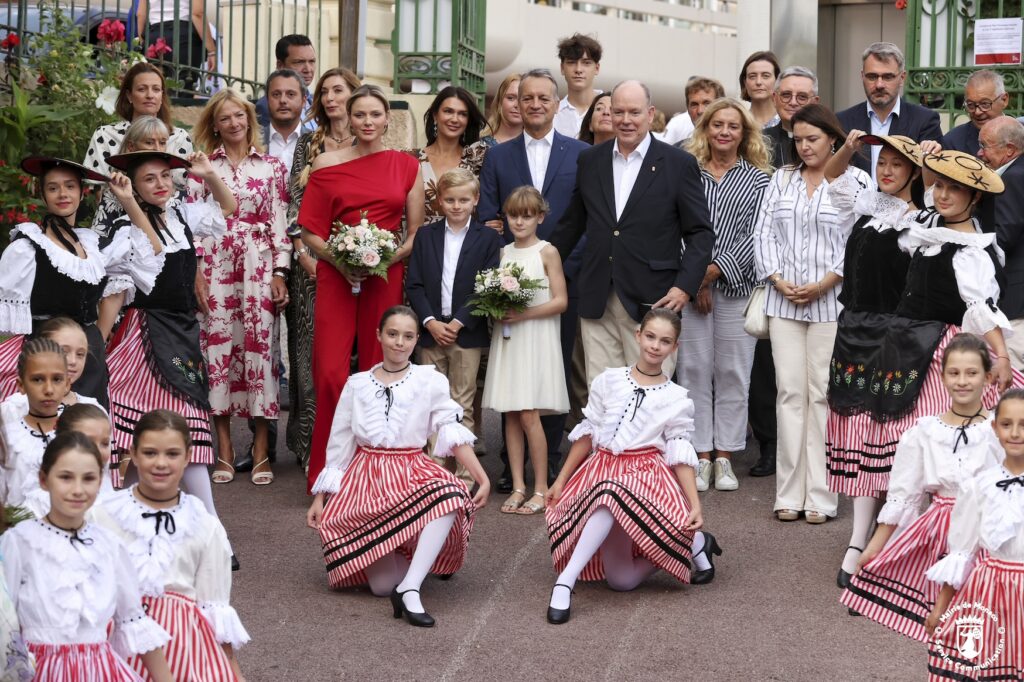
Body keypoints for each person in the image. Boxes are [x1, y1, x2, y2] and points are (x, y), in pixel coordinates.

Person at [305, 306, 488, 627]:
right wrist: (320, 498)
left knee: (449, 493)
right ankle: (417, 565)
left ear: (417, 340)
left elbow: (449, 429)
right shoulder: (357, 383)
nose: (399, 343)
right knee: (379, 587)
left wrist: (480, 476)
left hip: (410, 469)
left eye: (407, 336)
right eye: (392, 334)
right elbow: (339, 444)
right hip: (367, 478)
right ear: (379, 336)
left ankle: (411, 587)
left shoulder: (429, 380)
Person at [544, 309, 721, 625]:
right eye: (651, 337)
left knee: (611, 492)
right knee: (620, 580)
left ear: (674, 348)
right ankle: (693, 544)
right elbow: (589, 432)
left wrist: (694, 505)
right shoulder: (609, 379)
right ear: (638, 335)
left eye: (665, 341)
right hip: (602, 469)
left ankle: (564, 582)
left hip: (646, 477)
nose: (655, 346)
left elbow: (680, 453)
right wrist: (561, 479)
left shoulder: (677, 398)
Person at [99, 150, 235, 536]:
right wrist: (127, 204)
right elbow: (153, 251)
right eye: (149, 180)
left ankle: (209, 529)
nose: (160, 185)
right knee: (132, 436)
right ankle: (124, 528)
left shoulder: (182, 215)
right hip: (143, 338)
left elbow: (228, 205)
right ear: (134, 188)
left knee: (188, 430)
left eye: (164, 177)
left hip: (183, 332)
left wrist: (208, 174)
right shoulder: (127, 231)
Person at [298, 85, 424, 493]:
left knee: (381, 368)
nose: (368, 122)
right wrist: (342, 260)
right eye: (360, 115)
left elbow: (414, 233)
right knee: (331, 373)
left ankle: (375, 474)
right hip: (337, 274)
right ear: (348, 119)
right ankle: (326, 471)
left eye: (375, 114)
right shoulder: (325, 163)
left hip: (385, 277)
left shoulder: (406, 165)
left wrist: (382, 260)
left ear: (388, 118)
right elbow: (310, 230)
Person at [552, 79, 715, 384]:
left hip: (653, 299)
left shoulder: (678, 164)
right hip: (597, 296)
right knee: (602, 393)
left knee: (650, 397)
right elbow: (571, 224)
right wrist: (535, 266)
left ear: (650, 114)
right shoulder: (590, 160)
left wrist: (684, 288)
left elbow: (700, 234)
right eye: (619, 112)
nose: (626, 120)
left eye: (634, 112)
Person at [841, 334, 1001, 638]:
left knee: (984, 626)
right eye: (954, 373)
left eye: (972, 373)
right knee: (939, 628)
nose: (962, 381)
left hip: (986, 533)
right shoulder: (924, 432)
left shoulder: (998, 430)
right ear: (941, 377)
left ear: (987, 377)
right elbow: (904, 498)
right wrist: (872, 550)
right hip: (938, 535)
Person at [753, 103, 868, 524]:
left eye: (812, 139)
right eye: (798, 139)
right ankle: (788, 493)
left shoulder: (854, 180)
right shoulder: (780, 180)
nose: (804, 147)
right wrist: (777, 279)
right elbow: (763, 233)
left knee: (821, 395)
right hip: (783, 300)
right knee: (789, 394)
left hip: (829, 303)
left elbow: (857, 238)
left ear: (833, 138)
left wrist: (826, 281)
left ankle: (820, 497)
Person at [477, 68, 588, 491]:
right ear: (517, 104)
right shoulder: (499, 155)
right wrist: (506, 278)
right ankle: (513, 466)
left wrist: (564, 263)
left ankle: (552, 461)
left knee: (552, 369)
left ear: (557, 104)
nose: (536, 105)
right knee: (513, 373)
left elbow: (588, 217)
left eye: (544, 98)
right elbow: (489, 216)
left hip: (565, 276)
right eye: (527, 98)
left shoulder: (580, 153)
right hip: (513, 276)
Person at [823, 132, 926, 578]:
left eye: (896, 165)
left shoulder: (925, 219)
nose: (885, 170)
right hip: (853, 331)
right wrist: (849, 145)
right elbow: (833, 174)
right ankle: (856, 539)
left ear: (915, 172)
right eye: (881, 162)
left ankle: (894, 540)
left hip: (896, 337)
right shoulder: (867, 205)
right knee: (859, 436)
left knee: (888, 440)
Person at [1, 431, 174, 680]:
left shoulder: (110, 545)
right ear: (43, 479)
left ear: (100, 480)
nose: (78, 490)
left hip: (101, 671)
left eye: (89, 478)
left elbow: (133, 620)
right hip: (40, 671)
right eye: (66, 478)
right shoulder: (19, 542)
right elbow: (4, 619)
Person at [93, 410, 248, 680]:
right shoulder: (104, 514)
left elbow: (215, 607)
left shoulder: (205, 525)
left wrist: (233, 672)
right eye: (150, 453)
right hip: (115, 642)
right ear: (134, 453)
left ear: (188, 456)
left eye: (172, 454)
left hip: (183, 647)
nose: (161, 463)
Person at [0, 156, 164, 409]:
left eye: (70, 186)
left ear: (81, 192)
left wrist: (127, 199)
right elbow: (9, 322)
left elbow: (152, 247)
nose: (62, 193)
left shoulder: (93, 245)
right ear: (43, 196)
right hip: (46, 356)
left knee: (89, 429)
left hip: (89, 354)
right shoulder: (27, 247)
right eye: (53, 188)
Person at [190, 89, 291, 486]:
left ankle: (262, 449)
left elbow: (280, 224)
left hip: (258, 265)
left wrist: (279, 272)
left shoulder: (271, 168)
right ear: (214, 125)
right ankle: (225, 449)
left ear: (250, 120)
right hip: (215, 266)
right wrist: (197, 271)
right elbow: (195, 226)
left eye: (239, 116)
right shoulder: (199, 168)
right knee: (216, 352)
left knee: (260, 353)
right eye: (225, 118)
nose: (233, 123)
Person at [678, 98, 771, 493]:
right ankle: (700, 455)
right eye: (717, 124)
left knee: (734, 372)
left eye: (733, 125)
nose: (724, 132)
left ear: (744, 132)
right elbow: (675, 225)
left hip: (736, 288)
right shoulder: (686, 173)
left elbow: (758, 235)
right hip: (690, 286)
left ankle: (725, 456)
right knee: (693, 369)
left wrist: (714, 272)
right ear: (705, 128)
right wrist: (696, 280)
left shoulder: (760, 180)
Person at [284, 66, 362, 471]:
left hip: (363, 259)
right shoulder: (309, 143)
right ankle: (309, 442)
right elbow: (296, 201)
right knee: (312, 355)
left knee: (356, 356)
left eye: (339, 90)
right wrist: (303, 252)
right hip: (311, 261)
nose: (331, 98)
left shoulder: (370, 139)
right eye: (326, 91)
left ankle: (358, 446)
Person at [405, 169, 501, 483]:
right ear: (439, 201)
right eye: (450, 200)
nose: (456, 206)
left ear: (475, 201)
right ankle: (434, 472)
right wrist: (430, 322)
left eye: (463, 200)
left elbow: (485, 286)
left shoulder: (487, 238)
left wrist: (459, 322)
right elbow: (415, 285)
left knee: (463, 402)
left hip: (466, 333)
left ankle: (465, 474)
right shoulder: (426, 235)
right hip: (431, 334)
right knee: (433, 403)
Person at [923, 389, 1024, 681]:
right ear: (995, 428)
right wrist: (941, 607)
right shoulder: (979, 486)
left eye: (1023, 424)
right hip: (989, 593)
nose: (1015, 433)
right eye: (1007, 424)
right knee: (984, 662)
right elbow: (962, 552)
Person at [481, 186, 569, 514]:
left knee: (530, 414)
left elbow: (560, 301)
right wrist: (495, 308)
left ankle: (541, 487)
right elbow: (494, 295)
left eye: (527, 216)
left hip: (536, 337)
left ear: (540, 218)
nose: (519, 222)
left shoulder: (547, 252)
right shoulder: (503, 253)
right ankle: (517, 485)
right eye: (514, 215)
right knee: (512, 413)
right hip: (509, 340)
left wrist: (523, 314)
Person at [835, 42, 943, 181]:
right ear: (862, 76)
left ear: (902, 78)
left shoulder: (925, 121)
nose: (879, 85)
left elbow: (933, 178)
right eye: (872, 77)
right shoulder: (843, 121)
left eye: (888, 77)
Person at [83, 63, 194, 178]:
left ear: (162, 96)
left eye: (156, 89)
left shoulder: (179, 137)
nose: (150, 95)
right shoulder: (105, 135)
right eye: (142, 89)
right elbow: (96, 186)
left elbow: (185, 187)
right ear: (129, 95)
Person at [0, 338, 71, 518]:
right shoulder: (8, 437)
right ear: (21, 385)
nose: (48, 389)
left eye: (57, 379)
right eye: (38, 379)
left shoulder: (78, 433)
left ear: (67, 384)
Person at [977, 117, 1024, 370]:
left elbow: (1001, 237)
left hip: (1016, 307)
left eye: (985, 145)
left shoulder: (1014, 178)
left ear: (1009, 150)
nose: (979, 152)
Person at [1, 318, 105, 431]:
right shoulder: (14, 408)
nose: (73, 361)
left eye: (80, 354)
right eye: (64, 352)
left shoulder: (93, 409)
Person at [414, 86, 489, 224]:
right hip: (419, 242)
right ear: (435, 115)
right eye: (448, 111)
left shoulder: (479, 158)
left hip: (467, 243)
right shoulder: (411, 160)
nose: (455, 119)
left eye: (462, 114)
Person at [136, 0, 216, 95]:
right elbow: (197, 14)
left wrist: (143, 42)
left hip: (154, 34)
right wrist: (212, 51)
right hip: (182, 36)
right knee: (182, 91)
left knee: (156, 90)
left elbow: (141, 15)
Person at [254, 34, 317, 133]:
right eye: (299, 62)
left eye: (312, 61)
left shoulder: (317, 102)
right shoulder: (267, 106)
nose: (308, 69)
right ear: (280, 65)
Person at [56, 402, 118, 499]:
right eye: (88, 442)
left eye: (105, 443)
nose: (98, 451)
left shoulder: (108, 489)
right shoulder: (46, 499)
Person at [763, 66, 820, 169]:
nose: (793, 102)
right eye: (786, 95)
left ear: (815, 102)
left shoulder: (826, 142)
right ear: (774, 99)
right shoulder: (760, 140)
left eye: (802, 97)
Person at [941, 70, 1009, 155]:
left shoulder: (1020, 135)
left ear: (1004, 100)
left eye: (985, 104)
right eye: (971, 105)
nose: (977, 112)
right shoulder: (953, 142)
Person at [553, 33, 603, 139]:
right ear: (562, 68)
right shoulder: (553, 114)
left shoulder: (612, 109)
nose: (578, 70)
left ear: (597, 68)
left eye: (586, 63)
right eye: (571, 62)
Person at [262, 68, 307, 171]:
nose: (282, 100)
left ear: (303, 101)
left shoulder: (316, 143)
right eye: (276, 94)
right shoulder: (250, 141)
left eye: (290, 94)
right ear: (267, 100)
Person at [739, 51, 781, 128]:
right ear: (745, 82)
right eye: (752, 76)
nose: (758, 82)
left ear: (777, 80)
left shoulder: (788, 122)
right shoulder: (738, 123)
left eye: (765, 76)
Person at [481, 73, 522, 147]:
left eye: (523, 99)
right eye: (510, 98)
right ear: (499, 102)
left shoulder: (537, 147)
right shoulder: (480, 146)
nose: (517, 105)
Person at [680, 77, 725, 144]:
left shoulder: (735, 148)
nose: (700, 111)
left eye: (707, 103)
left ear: (721, 106)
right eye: (694, 105)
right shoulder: (678, 151)